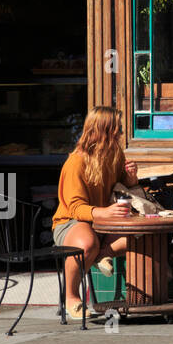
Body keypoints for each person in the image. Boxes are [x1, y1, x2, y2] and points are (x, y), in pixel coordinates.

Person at [52, 106, 137, 321]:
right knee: (87, 244)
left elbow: (122, 184)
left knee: (139, 237)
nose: (120, 133)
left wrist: (131, 177)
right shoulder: (76, 161)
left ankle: (101, 254)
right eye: (116, 129)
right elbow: (76, 209)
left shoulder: (114, 154)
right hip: (71, 222)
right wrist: (105, 212)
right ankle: (71, 296)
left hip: (103, 222)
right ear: (103, 131)